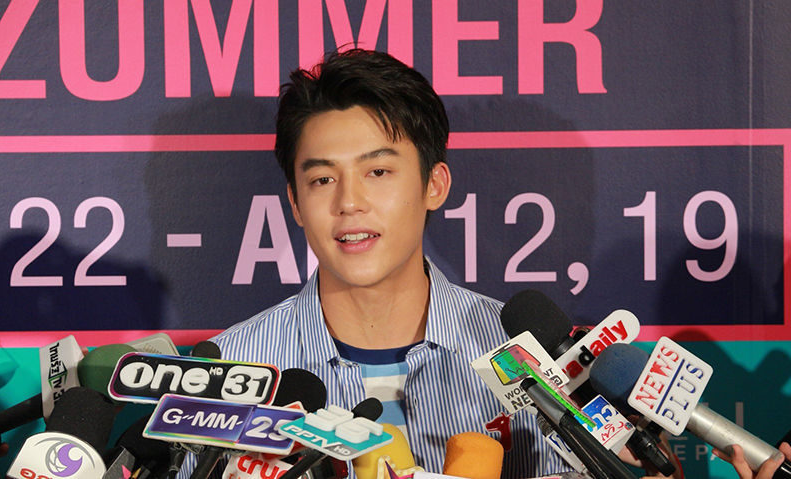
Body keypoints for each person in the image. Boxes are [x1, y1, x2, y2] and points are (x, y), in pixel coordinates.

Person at [177, 48, 569, 479]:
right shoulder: (232, 374)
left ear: (434, 184)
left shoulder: (527, 357)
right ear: (296, 203)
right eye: (322, 179)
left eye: (377, 172)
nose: (349, 202)